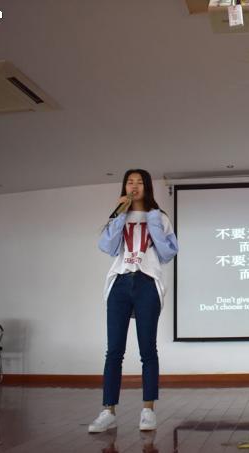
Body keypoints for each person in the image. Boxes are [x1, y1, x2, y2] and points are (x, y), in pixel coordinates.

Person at [88, 169, 178, 433]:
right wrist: (118, 214)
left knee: (147, 350)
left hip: (147, 282)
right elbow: (107, 247)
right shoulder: (119, 215)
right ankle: (108, 411)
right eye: (130, 182)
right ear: (124, 187)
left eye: (139, 182)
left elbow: (168, 253)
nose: (134, 186)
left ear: (147, 187)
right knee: (114, 351)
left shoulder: (160, 217)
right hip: (119, 282)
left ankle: (148, 410)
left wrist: (153, 220)